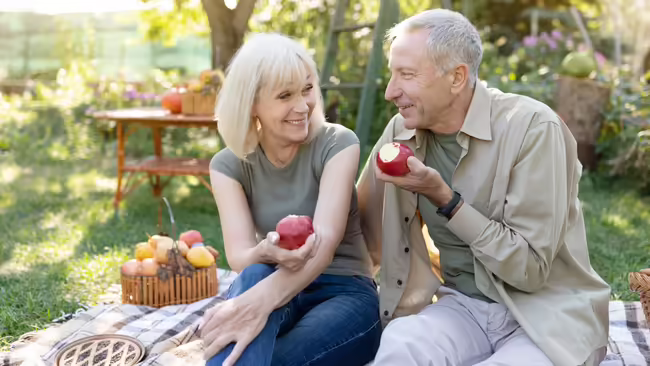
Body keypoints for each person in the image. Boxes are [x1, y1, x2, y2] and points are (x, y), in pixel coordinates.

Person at [356, 9, 611, 366]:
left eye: (407, 75)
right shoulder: (402, 133)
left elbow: (530, 270)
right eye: (391, 74)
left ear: (457, 77)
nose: (390, 92)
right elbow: (362, 232)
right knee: (400, 346)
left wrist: (446, 200)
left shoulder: (533, 129)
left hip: (546, 313)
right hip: (463, 307)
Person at [200, 33, 381, 366]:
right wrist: (263, 253)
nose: (303, 106)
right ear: (251, 103)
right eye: (285, 95)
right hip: (278, 285)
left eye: (307, 89)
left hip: (344, 291)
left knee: (275, 358)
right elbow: (241, 256)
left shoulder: (338, 144)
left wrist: (253, 304)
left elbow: (323, 246)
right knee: (254, 273)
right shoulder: (227, 166)